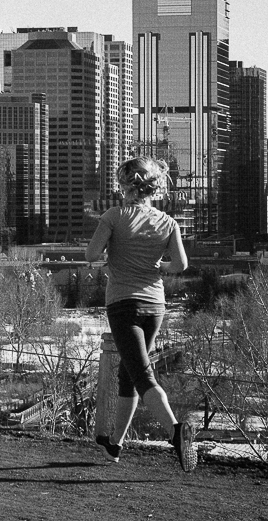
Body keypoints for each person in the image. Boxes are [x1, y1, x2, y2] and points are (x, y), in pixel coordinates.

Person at [85, 156, 196, 472]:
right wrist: (160, 266)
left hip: (123, 305)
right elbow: (180, 265)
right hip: (155, 307)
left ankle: (176, 432)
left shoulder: (114, 216)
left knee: (142, 375)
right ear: (153, 188)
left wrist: (109, 258)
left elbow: (91, 254)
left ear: (125, 186)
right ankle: (115, 444)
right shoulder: (168, 222)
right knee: (129, 373)